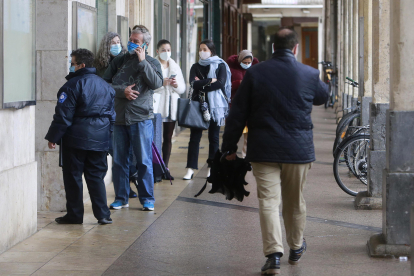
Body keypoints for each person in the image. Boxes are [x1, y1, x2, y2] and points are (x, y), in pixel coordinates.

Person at [221, 28, 329, 274]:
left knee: (268, 201)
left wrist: (229, 147)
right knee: (295, 201)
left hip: (263, 150)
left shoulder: (256, 73)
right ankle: (296, 246)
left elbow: (237, 113)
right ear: (296, 48)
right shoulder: (309, 73)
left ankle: (273, 255)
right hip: (297, 152)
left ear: (272, 48)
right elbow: (322, 97)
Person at [45, 48, 115, 225]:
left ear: (82, 65)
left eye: (72, 63)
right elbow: (112, 116)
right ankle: (103, 215)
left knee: (73, 177)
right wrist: (107, 137)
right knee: (96, 177)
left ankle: (75, 215)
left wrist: (53, 137)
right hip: (100, 139)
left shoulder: (71, 86)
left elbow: (63, 116)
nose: (70, 67)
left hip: (75, 139)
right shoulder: (106, 86)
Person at [103, 25, 163, 211]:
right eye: (130, 40)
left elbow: (157, 83)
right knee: (119, 161)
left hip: (141, 118)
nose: (131, 43)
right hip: (119, 117)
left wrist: (143, 62)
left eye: (136, 41)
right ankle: (121, 197)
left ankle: (147, 199)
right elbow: (104, 84)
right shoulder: (119, 60)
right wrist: (123, 91)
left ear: (145, 44)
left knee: (143, 160)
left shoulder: (152, 62)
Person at [94, 32, 138, 199]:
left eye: (118, 42)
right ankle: (128, 181)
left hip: (122, 111)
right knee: (115, 151)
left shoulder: (126, 61)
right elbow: (101, 86)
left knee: (125, 151)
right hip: (105, 112)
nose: (116, 45)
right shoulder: (101, 66)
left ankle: (126, 187)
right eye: (113, 42)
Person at [183, 39, 231, 180]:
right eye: (200, 49)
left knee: (214, 137)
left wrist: (201, 84)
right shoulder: (195, 66)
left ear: (211, 51)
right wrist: (210, 80)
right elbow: (193, 83)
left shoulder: (220, 65)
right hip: (199, 103)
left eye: (205, 49)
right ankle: (190, 169)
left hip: (215, 106)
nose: (202, 52)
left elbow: (221, 84)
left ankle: (212, 168)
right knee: (194, 138)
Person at [153, 39, 186, 179]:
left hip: (171, 108)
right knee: (155, 139)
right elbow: (148, 86)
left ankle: (165, 168)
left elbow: (182, 89)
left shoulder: (175, 66)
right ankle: (156, 170)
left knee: (167, 138)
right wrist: (162, 84)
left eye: (168, 50)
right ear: (157, 51)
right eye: (163, 50)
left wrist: (175, 84)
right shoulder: (152, 64)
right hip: (157, 107)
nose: (166, 53)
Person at [226, 50, 259, 158]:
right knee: (233, 133)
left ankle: (245, 156)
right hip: (235, 106)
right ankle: (230, 154)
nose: (247, 64)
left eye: (249, 62)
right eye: (244, 62)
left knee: (248, 135)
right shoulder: (231, 69)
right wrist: (238, 83)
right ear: (240, 60)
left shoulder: (255, 70)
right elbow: (226, 87)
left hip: (250, 106)